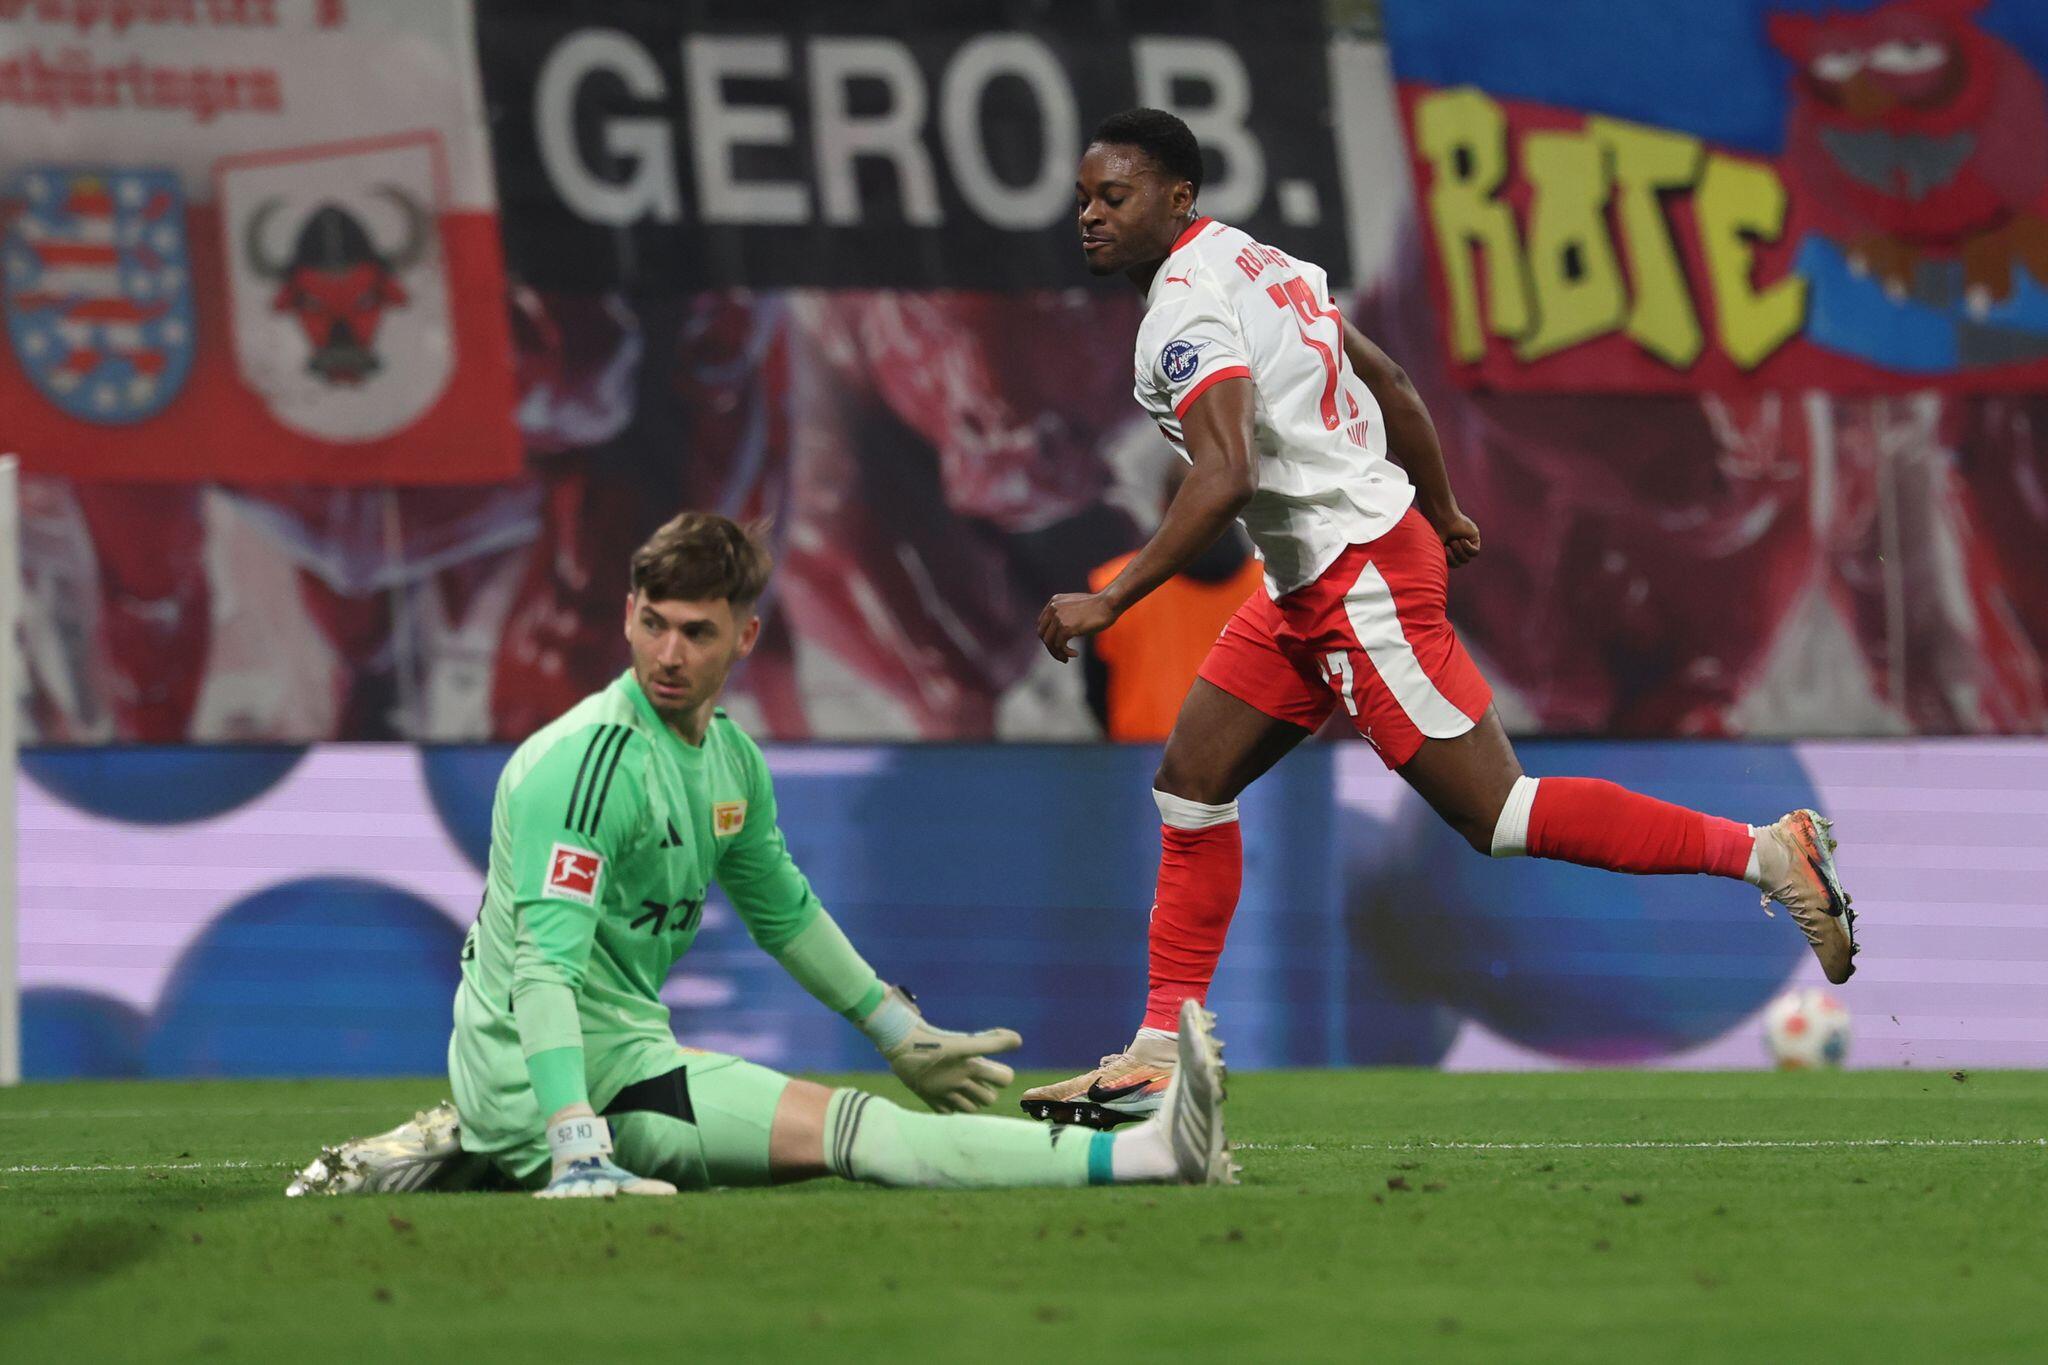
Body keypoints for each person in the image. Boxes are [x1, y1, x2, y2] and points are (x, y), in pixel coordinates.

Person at [1020, 109, 1860, 1129]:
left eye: (1114, 196)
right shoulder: (1258, 262)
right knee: (1191, 785)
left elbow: (1226, 472)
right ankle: (1159, 1055)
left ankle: (1768, 852)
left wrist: (1112, 596)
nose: (1090, 215)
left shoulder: (1184, 310)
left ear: (1177, 197)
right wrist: (1443, 504)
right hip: (1310, 580)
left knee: (1497, 814)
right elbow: (1391, 380)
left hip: (1354, 578)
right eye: (1082, 199)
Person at [288, 511, 1233, 1196]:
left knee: (848, 1118)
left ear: (744, 636)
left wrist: (899, 1034)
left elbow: (785, 914)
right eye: (653, 622)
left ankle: (474, 1144)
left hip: (619, 1059)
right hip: (568, 1089)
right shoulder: (586, 766)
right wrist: (573, 1141)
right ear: (627, 613)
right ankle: (1148, 1154)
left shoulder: (728, 760)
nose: (668, 652)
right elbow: (541, 970)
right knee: (856, 1133)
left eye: (696, 631)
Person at [1085, 460, 1265, 742]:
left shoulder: (1110, 589)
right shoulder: (1273, 591)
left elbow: (1097, 696)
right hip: (1250, 764)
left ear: (1162, 507)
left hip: (1142, 762)